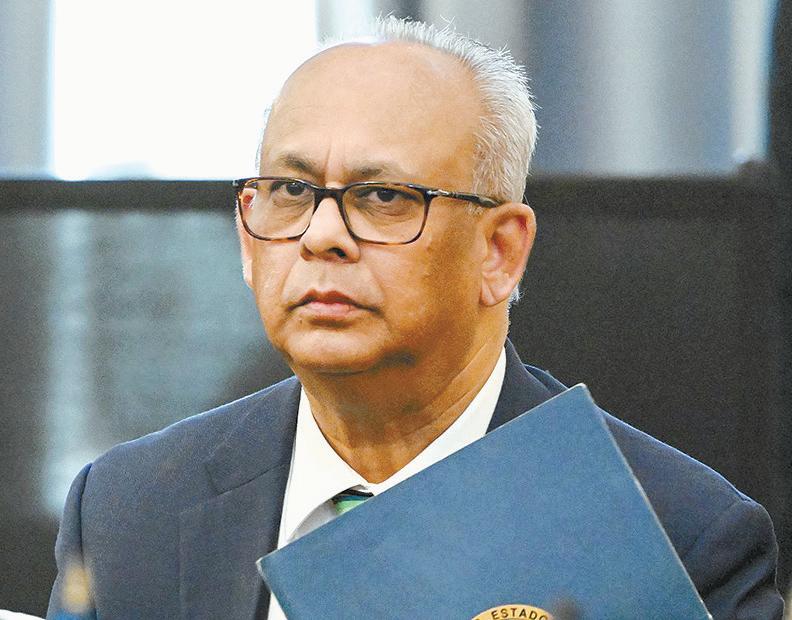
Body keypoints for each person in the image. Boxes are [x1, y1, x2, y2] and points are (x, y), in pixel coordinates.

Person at [48, 16, 784, 620]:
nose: (321, 235)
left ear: (499, 251)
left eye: (383, 198)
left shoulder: (682, 537)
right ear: (247, 235)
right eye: (290, 192)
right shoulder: (127, 509)